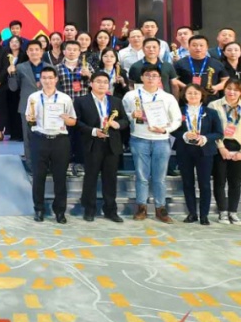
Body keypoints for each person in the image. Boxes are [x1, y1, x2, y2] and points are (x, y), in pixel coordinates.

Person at [123, 68, 182, 223]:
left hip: (161, 140)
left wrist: (165, 129)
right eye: (147, 75)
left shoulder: (167, 97)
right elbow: (122, 115)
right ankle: (141, 207)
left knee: (160, 177)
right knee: (141, 176)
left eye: (154, 75)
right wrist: (131, 115)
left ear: (159, 79)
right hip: (139, 138)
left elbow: (177, 119)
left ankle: (160, 208)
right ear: (142, 77)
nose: (151, 78)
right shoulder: (131, 95)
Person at [74, 72, 129, 222]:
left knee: (110, 179)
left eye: (105, 82)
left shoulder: (116, 101)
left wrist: (117, 124)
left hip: (112, 144)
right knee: (90, 177)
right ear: (91, 83)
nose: (102, 84)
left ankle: (110, 210)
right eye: (98, 81)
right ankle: (89, 209)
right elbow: (76, 123)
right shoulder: (81, 101)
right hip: (92, 143)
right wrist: (93, 131)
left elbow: (125, 121)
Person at [26, 67, 77, 223]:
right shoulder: (33, 97)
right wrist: (30, 118)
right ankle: (39, 209)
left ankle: (60, 212)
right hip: (39, 139)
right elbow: (29, 120)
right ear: (40, 80)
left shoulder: (65, 99)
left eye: (50, 78)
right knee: (38, 177)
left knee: (60, 178)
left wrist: (66, 119)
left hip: (60, 140)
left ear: (56, 79)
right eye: (44, 78)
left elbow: (73, 121)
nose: (47, 81)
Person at [172, 84, 223, 225]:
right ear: (184, 95)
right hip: (184, 150)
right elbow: (172, 130)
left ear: (202, 95)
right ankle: (192, 213)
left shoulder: (211, 112)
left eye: (196, 93)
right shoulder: (178, 111)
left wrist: (205, 138)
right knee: (187, 183)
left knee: (204, 184)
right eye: (189, 93)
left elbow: (219, 133)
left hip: (204, 151)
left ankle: (204, 215)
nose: (193, 96)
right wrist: (184, 135)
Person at [209, 79, 241, 225]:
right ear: (224, 89)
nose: (232, 92)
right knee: (219, 181)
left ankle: (233, 212)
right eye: (229, 88)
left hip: (239, 149)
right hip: (219, 147)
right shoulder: (214, 105)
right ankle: (222, 212)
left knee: (235, 182)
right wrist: (221, 147)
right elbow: (211, 128)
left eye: (236, 90)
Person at [9, 41, 51, 160]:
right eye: (31, 50)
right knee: (28, 136)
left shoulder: (50, 67)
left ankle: (45, 160)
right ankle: (29, 161)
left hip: (47, 105)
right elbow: (13, 87)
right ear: (27, 52)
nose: (34, 52)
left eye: (37, 49)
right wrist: (11, 74)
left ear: (42, 52)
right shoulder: (20, 67)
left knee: (47, 134)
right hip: (27, 106)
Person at [55, 41, 90, 176]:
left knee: (82, 137)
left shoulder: (87, 67)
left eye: (75, 49)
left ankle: (80, 163)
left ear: (79, 52)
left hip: (83, 107)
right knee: (66, 137)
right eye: (69, 49)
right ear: (64, 51)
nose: (72, 52)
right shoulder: (57, 68)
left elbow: (95, 85)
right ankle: (68, 163)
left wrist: (89, 76)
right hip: (65, 108)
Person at [173, 35, 227, 100]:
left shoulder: (216, 63)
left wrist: (216, 87)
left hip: (211, 99)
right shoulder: (180, 63)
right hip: (187, 99)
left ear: (207, 47)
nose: (198, 48)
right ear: (189, 47)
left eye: (201, 45)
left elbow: (226, 79)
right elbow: (173, 80)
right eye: (194, 45)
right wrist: (187, 87)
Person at [5, 36, 28, 143]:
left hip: (21, 86)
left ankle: (21, 133)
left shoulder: (24, 56)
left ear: (20, 44)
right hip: (8, 86)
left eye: (16, 42)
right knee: (10, 109)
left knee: (20, 110)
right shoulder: (5, 55)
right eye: (12, 42)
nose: (14, 44)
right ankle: (13, 133)